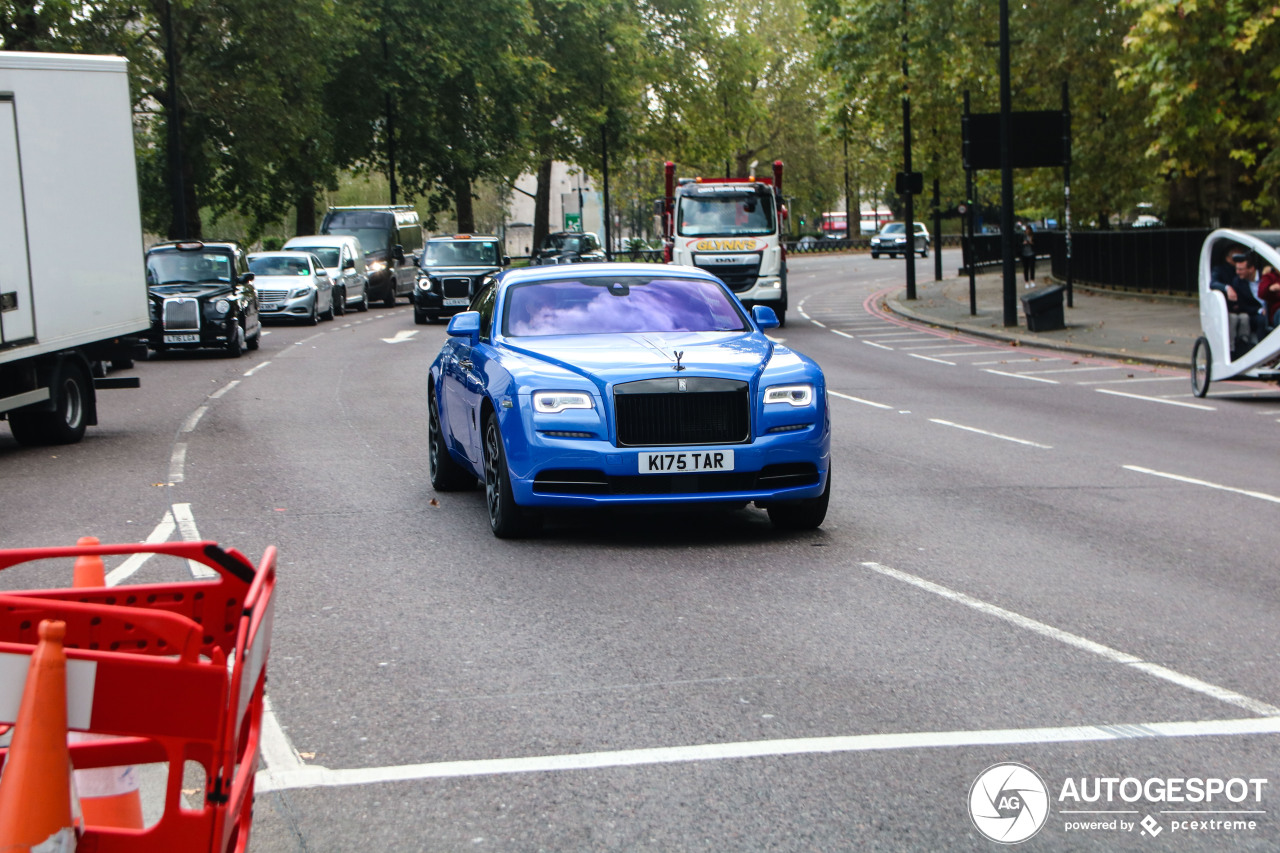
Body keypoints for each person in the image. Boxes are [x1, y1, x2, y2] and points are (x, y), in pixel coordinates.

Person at [1019, 219, 1036, 287]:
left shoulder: (1033, 236)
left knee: (1032, 267)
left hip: (1031, 253)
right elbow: (1019, 244)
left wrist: (1031, 243)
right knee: (1025, 268)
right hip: (1024, 254)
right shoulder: (1022, 236)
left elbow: (1036, 244)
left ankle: (1032, 280)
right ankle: (1026, 281)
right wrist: (1023, 243)